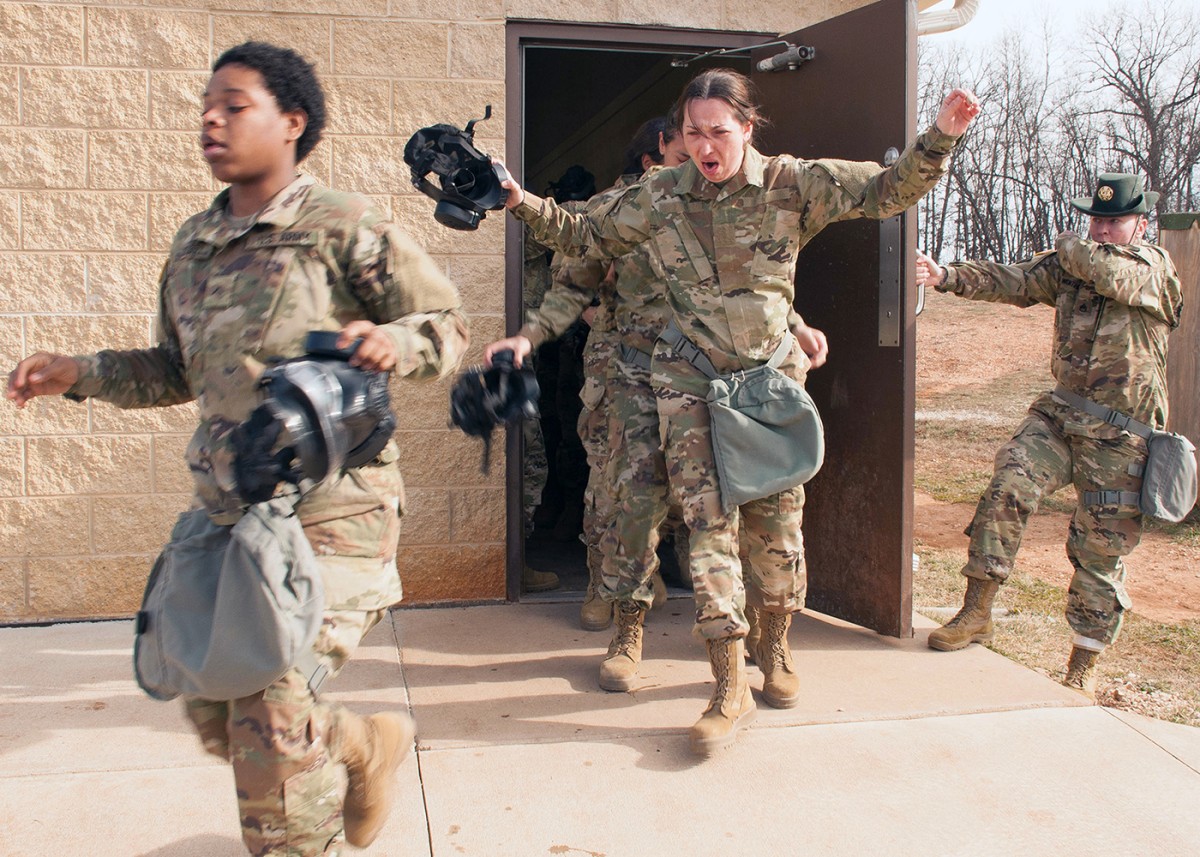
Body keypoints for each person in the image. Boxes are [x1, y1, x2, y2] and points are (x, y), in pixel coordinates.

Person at [6, 42, 469, 855]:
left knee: (268, 719)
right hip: (228, 512)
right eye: (207, 106)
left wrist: (394, 342)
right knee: (213, 704)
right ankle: (362, 745)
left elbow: (446, 326)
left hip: (336, 507)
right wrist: (80, 373)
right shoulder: (194, 244)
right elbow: (173, 371)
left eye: (235, 104)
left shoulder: (343, 225)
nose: (211, 120)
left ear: (292, 122)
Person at [499, 69, 979, 755]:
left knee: (777, 535)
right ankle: (728, 683)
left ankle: (775, 643)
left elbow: (885, 192)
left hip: (765, 391)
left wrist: (941, 138)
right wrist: (518, 200)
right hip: (688, 386)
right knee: (707, 529)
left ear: (747, 128)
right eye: (692, 132)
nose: (704, 145)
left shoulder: (791, 183)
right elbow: (581, 235)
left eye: (718, 130)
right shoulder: (660, 194)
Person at [915, 173, 1182, 699]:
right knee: (1008, 484)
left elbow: (1100, 269)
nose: (1102, 230)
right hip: (1061, 418)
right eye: (1097, 219)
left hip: (1119, 437)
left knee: (1099, 553)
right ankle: (976, 611)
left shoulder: (1152, 268)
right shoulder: (1074, 262)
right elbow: (1012, 280)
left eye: (1114, 220)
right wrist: (943, 274)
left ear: (1141, 224)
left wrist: (1068, 243)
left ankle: (1082, 665)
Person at [490, 117, 689, 631]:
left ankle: (646, 571)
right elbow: (569, 268)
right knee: (609, 481)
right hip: (619, 367)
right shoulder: (611, 208)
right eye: (685, 151)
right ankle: (605, 585)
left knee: (674, 479)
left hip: (686, 370)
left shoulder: (705, 207)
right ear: (657, 153)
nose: (699, 161)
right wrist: (587, 315)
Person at [520, 165, 597, 592]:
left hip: (555, 345)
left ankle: (560, 518)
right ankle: (522, 555)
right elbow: (562, 226)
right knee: (538, 442)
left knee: (561, 436)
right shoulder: (533, 230)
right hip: (536, 346)